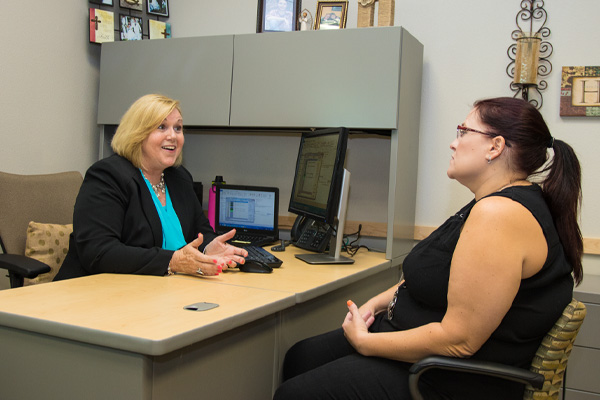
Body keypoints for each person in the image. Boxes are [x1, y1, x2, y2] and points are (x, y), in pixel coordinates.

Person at [273, 97, 583, 400]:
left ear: (495, 146)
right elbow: (428, 276)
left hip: (447, 377)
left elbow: (459, 341)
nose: (453, 142)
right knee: (300, 357)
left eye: (463, 131)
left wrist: (367, 344)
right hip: (417, 349)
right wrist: (373, 306)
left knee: (293, 394)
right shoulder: (489, 202)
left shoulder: (499, 215)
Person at [54, 94, 247, 281]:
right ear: (137, 133)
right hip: (94, 295)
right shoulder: (107, 176)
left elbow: (200, 233)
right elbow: (99, 252)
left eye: (178, 128)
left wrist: (208, 248)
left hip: (161, 294)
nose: (173, 136)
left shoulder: (180, 178)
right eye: (161, 127)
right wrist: (172, 261)